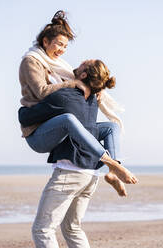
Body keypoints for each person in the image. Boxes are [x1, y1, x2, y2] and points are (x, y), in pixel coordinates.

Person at [18, 10, 135, 195]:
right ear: (45, 41)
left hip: (60, 127)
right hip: (38, 130)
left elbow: (79, 83)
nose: (62, 50)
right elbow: (41, 92)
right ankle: (109, 162)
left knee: (111, 127)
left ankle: (113, 171)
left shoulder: (59, 66)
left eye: (65, 46)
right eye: (58, 44)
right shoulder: (31, 62)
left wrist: (95, 90)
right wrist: (74, 84)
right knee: (68, 119)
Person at [29, 59, 132, 248]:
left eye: (84, 63)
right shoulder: (93, 97)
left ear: (83, 75)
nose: (79, 61)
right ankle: (112, 168)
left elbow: (27, 116)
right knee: (72, 228)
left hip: (70, 172)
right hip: (91, 175)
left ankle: (113, 165)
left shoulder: (66, 96)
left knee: (42, 229)